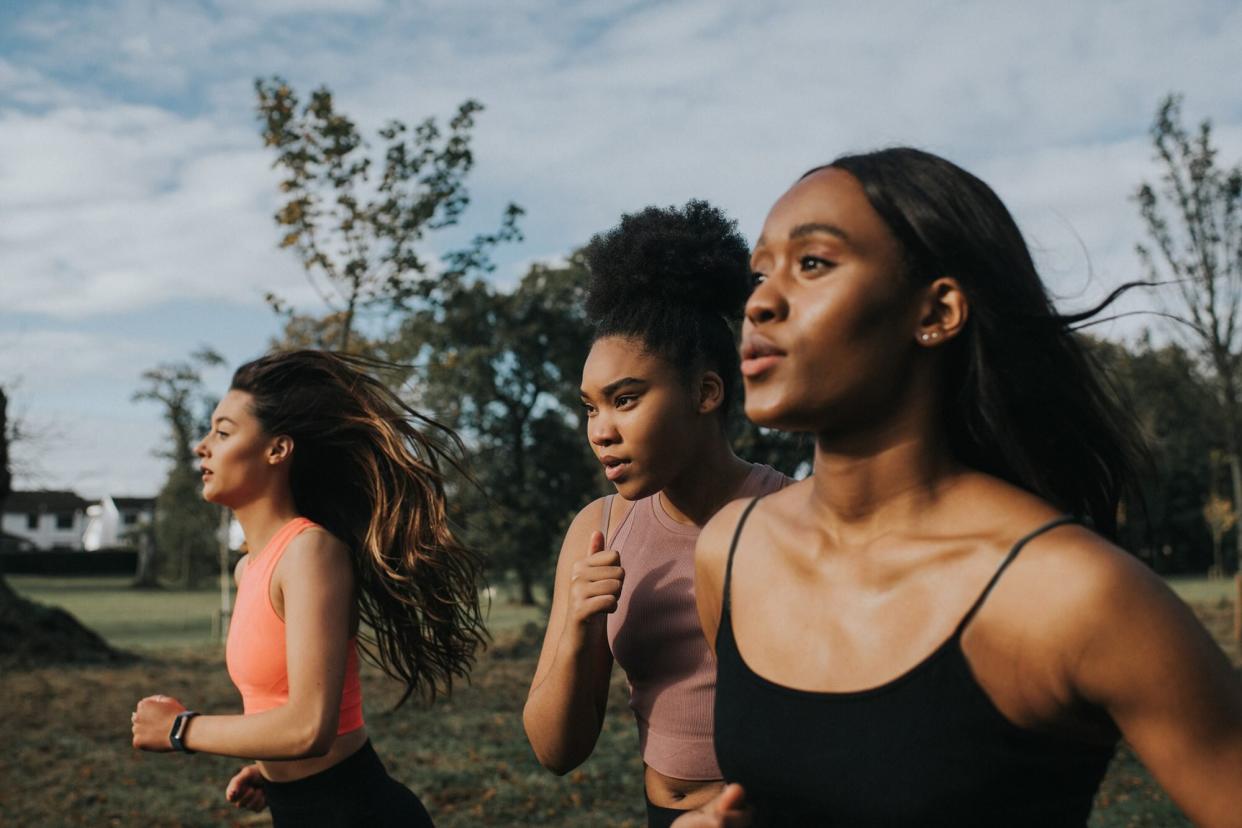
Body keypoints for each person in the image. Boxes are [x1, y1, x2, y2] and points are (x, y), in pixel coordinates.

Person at [681, 148, 1242, 827]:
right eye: (760, 271)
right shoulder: (731, 554)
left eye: (814, 264)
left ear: (937, 310)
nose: (761, 302)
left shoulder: (1073, 595)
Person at [130, 350, 486, 828]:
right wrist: (272, 768)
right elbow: (282, 710)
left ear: (277, 450)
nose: (202, 446)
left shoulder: (310, 552)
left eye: (223, 431)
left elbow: (308, 727)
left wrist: (181, 729)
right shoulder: (250, 568)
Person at [523, 201, 791, 827]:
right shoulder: (600, 530)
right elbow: (555, 752)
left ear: (705, 392)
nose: (601, 431)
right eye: (590, 407)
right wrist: (581, 631)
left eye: (625, 399)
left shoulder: (795, 515)